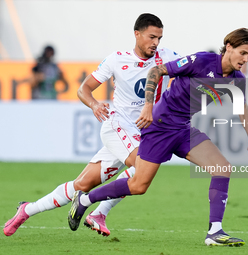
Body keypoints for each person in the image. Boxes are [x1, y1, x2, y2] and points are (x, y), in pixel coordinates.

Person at [68, 28, 248, 246]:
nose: (245, 59)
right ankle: (85, 199)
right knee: (138, 186)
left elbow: (242, 108)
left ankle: (214, 232)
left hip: (182, 128)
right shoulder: (201, 61)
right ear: (229, 47)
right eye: (243, 53)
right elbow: (155, 71)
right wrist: (148, 106)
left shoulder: (237, 79)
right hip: (160, 126)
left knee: (222, 168)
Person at [3, 13, 179, 237]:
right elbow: (83, 90)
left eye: (159, 38)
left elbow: (192, 69)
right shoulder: (116, 59)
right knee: (143, 165)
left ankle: (27, 210)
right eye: (151, 37)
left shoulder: (168, 57)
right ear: (137, 34)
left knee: (82, 184)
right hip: (118, 125)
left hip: (140, 133)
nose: (155, 43)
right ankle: (98, 212)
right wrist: (95, 105)